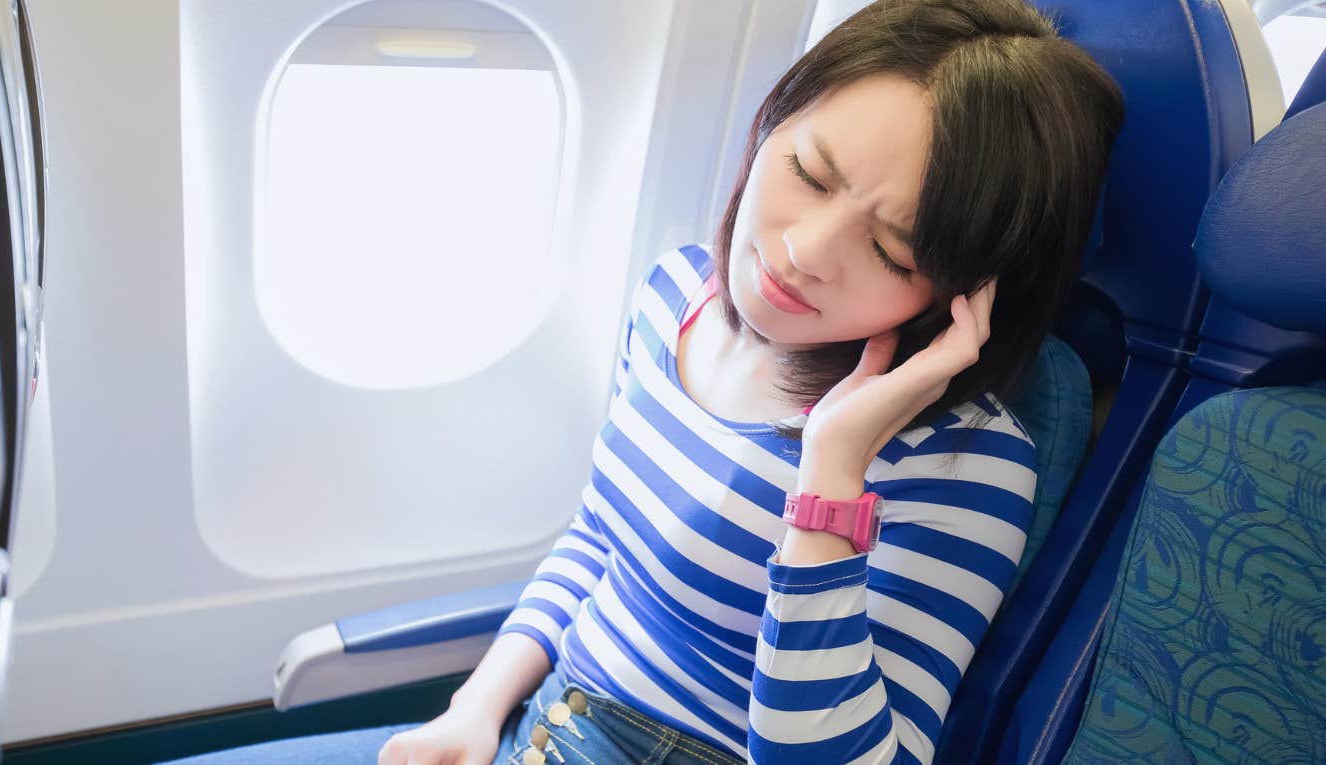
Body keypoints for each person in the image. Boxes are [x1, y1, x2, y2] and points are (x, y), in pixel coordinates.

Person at [164, 0, 1122, 762]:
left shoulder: (966, 463)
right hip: (545, 721)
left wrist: (830, 481)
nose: (803, 249)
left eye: (890, 249)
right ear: (773, 121)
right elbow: (598, 540)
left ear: (960, 294)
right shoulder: (675, 299)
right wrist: (476, 706)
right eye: (811, 172)